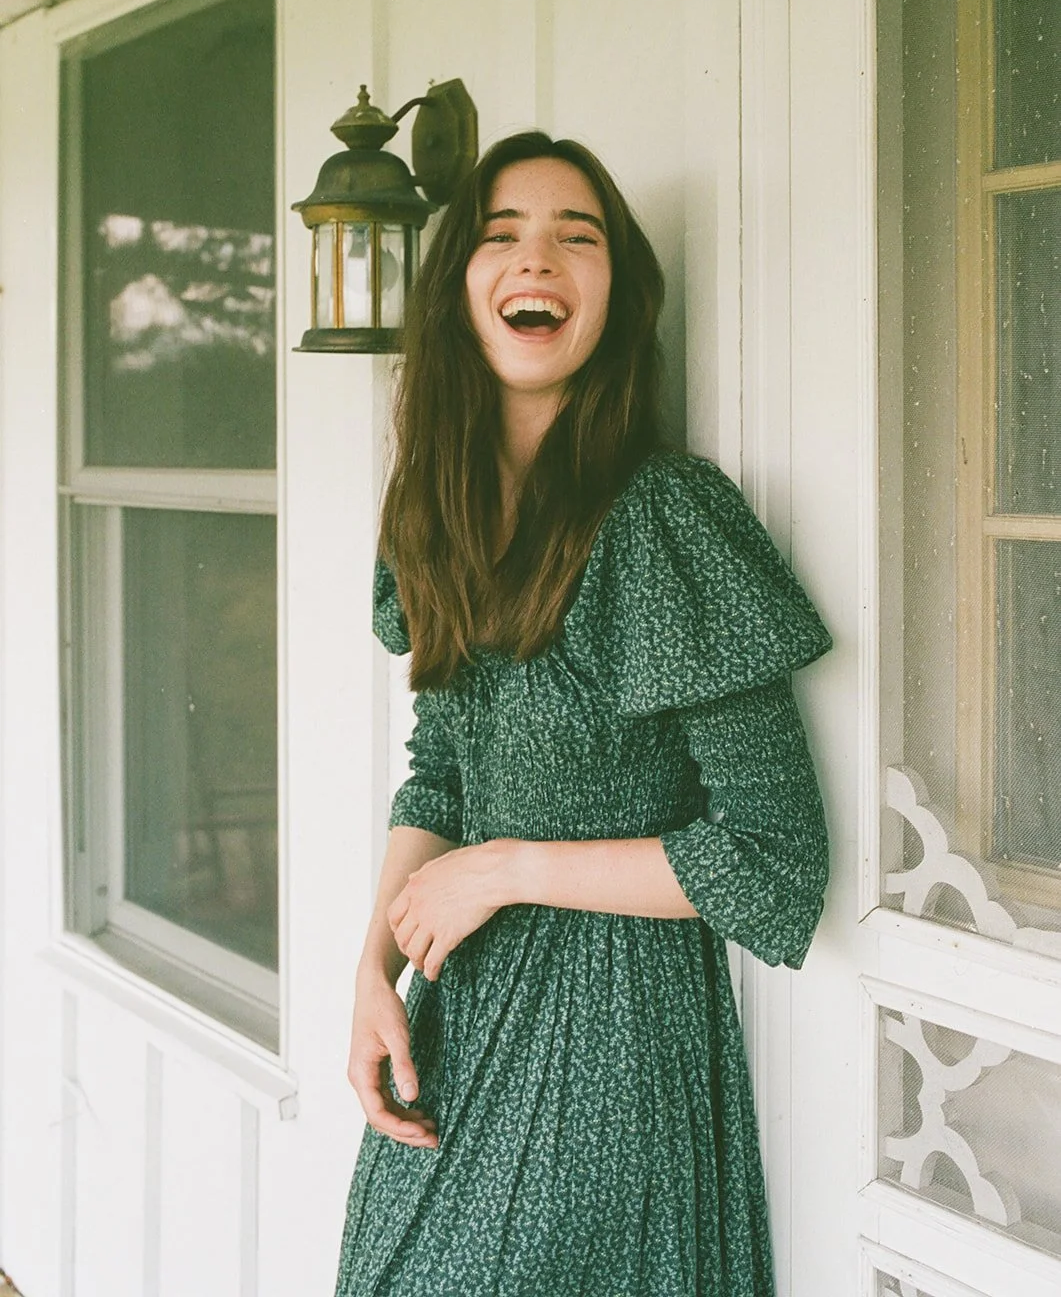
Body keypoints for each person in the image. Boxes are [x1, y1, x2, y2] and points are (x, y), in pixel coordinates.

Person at [334, 131, 832, 1297]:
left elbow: (770, 865)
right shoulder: (434, 515)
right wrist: (371, 976)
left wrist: (504, 869)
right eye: (501, 235)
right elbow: (441, 775)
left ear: (618, 293)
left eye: (578, 236)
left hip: (614, 1029)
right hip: (455, 1005)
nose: (537, 259)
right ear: (458, 286)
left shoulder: (659, 518)